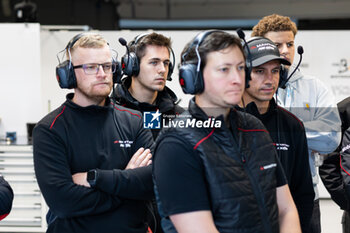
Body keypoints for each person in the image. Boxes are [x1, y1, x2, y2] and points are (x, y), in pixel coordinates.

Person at [153, 30, 301, 233]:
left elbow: (286, 210)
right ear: (193, 77)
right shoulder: (176, 144)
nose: (237, 79)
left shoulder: (255, 128)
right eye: (224, 69)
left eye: (241, 68)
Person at [33, 33, 154, 233]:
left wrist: (94, 178)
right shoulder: (50, 129)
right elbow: (63, 202)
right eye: (91, 67)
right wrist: (127, 182)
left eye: (107, 66)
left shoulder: (134, 121)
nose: (102, 73)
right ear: (69, 74)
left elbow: (150, 183)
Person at [252, 14, 342, 233]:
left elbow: (331, 137)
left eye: (290, 44)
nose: (284, 50)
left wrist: (289, 129)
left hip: (304, 195)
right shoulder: (246, 90)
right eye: (276, 45)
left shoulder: (315, 87)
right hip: (258, 198)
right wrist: (310, 127)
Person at [239, 36, 314, 232]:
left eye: (274, 71)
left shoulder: (293, 125)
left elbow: (303, 193)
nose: (269, 79)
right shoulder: (224, 123)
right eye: (259, 71)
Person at [113, 32, 184, 139]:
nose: (163, 70)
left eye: (166, 63)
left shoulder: (180, 117)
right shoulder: (110, 113)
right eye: (154, 62)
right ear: (132, 65)